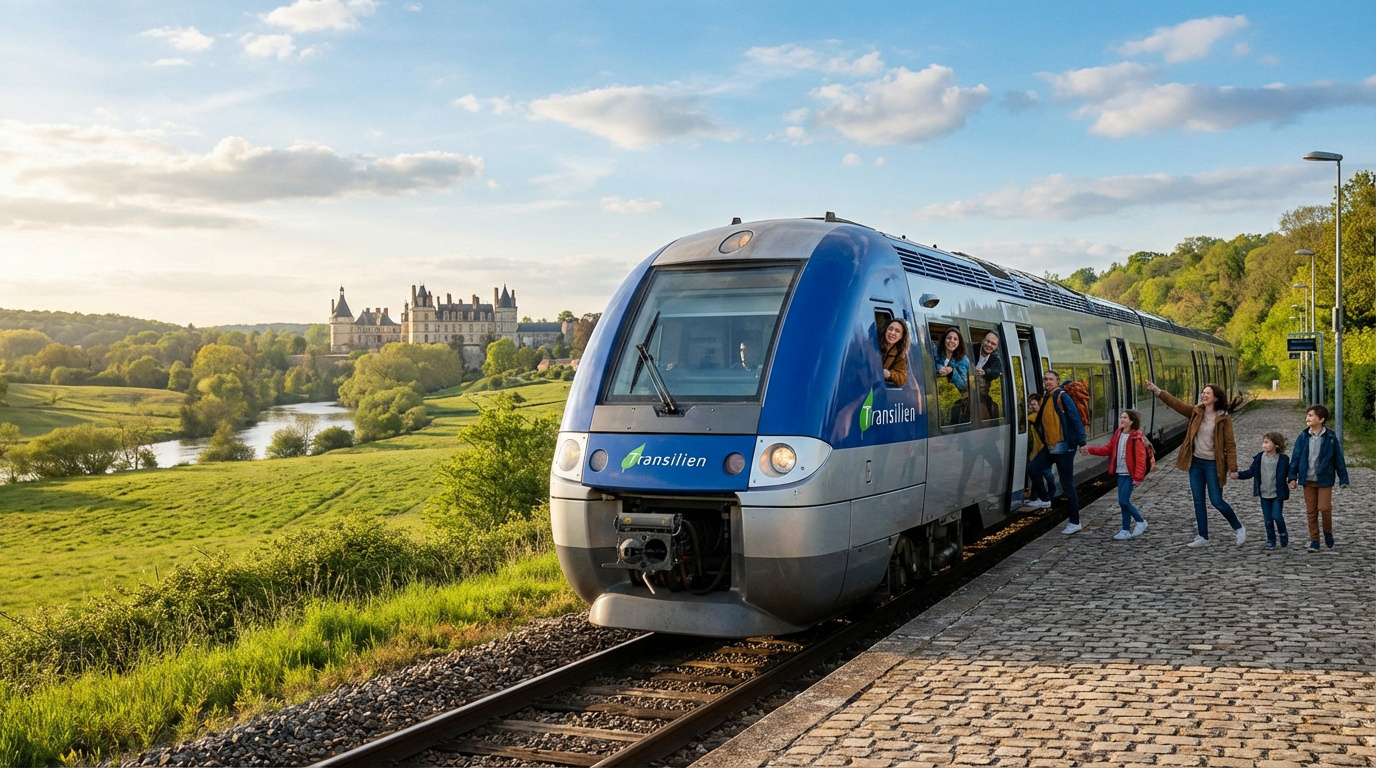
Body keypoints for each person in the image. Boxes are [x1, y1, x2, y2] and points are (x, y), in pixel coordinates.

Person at [1144, 380, 1244, 548]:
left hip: (1213, 464)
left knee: (1216, 501)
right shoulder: (1196, 412)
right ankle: (1203, 536)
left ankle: (1239, 528)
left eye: (1208, 393)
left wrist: (1233, 468)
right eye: (1203, 393)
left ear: (1216, 398)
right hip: (1196, 463)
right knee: (1198, 501)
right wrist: (1158, 391)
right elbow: (1177, 404)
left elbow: (1230, 444)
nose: (1204, 395)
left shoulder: (1224, 418)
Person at [1028, 370, 1086, 533]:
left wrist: (1082, 442)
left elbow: (1075, 418)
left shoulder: (1062, 397)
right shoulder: (1046, 397)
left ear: (1057, 381)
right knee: (1033, 468)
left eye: (1050, 379)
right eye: (1045, 379)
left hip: (1065, 447)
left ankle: (1075, 522)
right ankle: (1045, 499)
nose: (1047, 382)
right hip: (1051, 446)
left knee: (1067, 485)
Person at [1286, 404, 1349, 552]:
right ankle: (1314, 540)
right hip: (1307, 480)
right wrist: (1292, 477)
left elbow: (1338, 459)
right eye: (1307, 415)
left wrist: (1343, 478)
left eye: (1311, 415)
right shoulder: (1303, 437)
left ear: (1321, 419)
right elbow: (1295, 458)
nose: (1307, 418)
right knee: (1311, 511)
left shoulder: (1331, 437)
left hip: (1325, 479)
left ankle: (1327, 531)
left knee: (1324, 508)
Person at [1080, 409, 1149, 540]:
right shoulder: (1118, 434)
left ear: (1132, 421)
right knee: (1123, 502)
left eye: (1125, 418)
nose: (1122, 420)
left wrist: (1138, 477)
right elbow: (1107, 449)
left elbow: (1140, 459)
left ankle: (1140, 521)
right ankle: (1125, 530)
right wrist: (1090, 450)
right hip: (1121, 473)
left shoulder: (1136, 437)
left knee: (1123, 501)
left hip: (1129, 474)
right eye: (1121, 417)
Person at [1232, 432, 1291, 550]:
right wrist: (1239, 475)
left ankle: (1283, 533)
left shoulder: (1283, 459)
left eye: (1267, 442)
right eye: (1263, 442)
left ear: (1276, 445)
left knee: (1277, 516)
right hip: (1264, 494)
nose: (1264, 445)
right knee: (1267, 519)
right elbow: (1251, 472)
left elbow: (1289, 472)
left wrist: (1292, 480)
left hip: (1277, 494)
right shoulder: (1259, 458)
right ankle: (1271, 539)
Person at [1025, 393, 1056, 509]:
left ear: (1039, 404)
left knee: (1046, 474)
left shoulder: (1036, 417)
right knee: (1037, 473)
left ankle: (1050, 495)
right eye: (1029, 405)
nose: (1031, 407)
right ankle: (1038, 498)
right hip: (1037, 450)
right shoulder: (1036, 416)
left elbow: (1030, 419)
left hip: (1042, 450)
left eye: (1033, 404)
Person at [879, 319, 908, 387]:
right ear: (885, 330)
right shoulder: (873, 345)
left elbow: (902, 378)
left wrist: (889, 374)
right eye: (890, 329)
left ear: (901, 336)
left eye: (897, 331)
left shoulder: (899, 354)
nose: (892, 333)